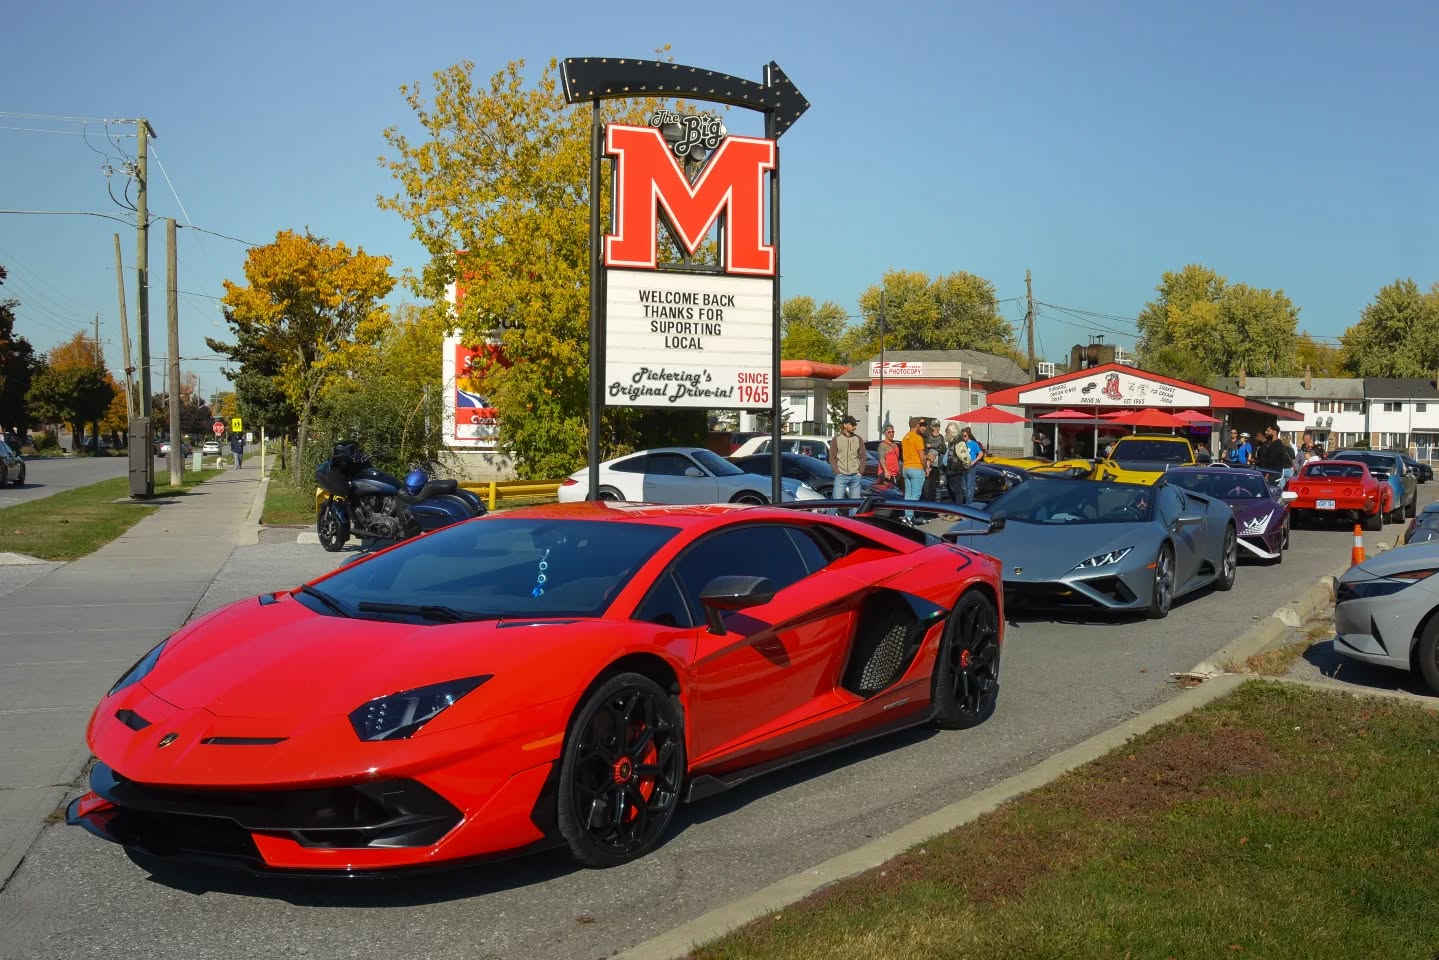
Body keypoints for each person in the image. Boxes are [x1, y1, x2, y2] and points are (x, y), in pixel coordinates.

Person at [827, 415, 865, 502]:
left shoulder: (858, 439)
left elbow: (862, 456)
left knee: (855, 505)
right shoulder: (836, 439)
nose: (855, 427)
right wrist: (837, 472)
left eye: (855, 425)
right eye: (852, 424)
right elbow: (832, 457)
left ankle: (852, 516)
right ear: (845, 425)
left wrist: (860, 472)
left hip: (856, 476)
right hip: (841, 476)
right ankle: (831, 516)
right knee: (835, 503)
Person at [900, 417, 928, 524]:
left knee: (908, 494)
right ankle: (909, 517)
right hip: (916, 467)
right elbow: (921, 456)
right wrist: (926, 468)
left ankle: (907, 516)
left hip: (906, 467)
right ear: (916, 425)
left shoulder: (905, 437)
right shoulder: (917, 438)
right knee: (916, 495)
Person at [946, 423, 973, 502]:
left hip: (955, 471)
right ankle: (955, 509)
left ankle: (958, 510)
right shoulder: (953, 441)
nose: (946, 433)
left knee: (957, 492)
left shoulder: (959, 441)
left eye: (947, 431)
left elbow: (965, 457)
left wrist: (965, 466)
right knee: (953, 492)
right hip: (951, 471)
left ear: (951, 431)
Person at [922, 418, 947, 501]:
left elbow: (943, 449)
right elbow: (924, 448)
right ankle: (926, 502)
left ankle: (933, 502)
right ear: (932, 427)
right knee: (927, 485)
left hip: (937, 465)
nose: (937, 428)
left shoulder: (941, 437)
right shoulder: (927, 436)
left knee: (935, 486)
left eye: (938, 426)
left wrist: (932, 446)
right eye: (935, 426)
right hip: (928, 464)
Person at [960, 427, 985, 506]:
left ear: (969, 435)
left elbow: (981, 453)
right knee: (963, 486)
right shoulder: (961, 444)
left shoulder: (973, 443)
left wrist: (974, 461)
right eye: (962, 436)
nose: (964, 437)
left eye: (965, 436)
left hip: (971, 467)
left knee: (969, 486)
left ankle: (969, 504)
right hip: (963, 466)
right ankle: (966, 502)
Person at [876, 424, 900, 488]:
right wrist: (886, 471)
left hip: (895, 474)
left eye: (893, 432)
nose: (891, 434)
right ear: (885, 433)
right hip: (886, 474)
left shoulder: (895, 445)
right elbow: (882, 459)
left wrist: (898, 469)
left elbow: (896, 459)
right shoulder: (882, 445)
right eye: (889, 432)